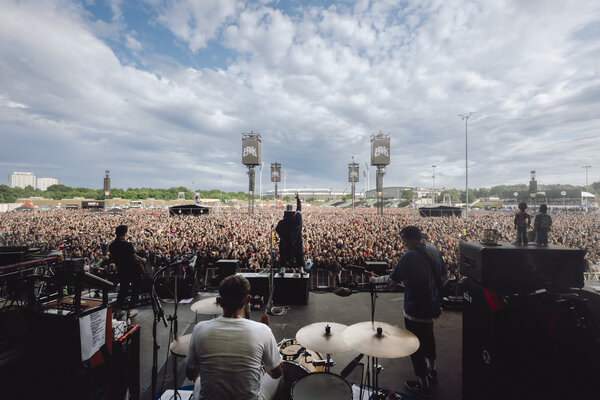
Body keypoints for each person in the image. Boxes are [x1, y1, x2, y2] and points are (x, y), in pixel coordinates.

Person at [370, 226, 446, 398]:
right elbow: (442, 274)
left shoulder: (409, 256)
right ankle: (432, 370)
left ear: (411, 239)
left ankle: (423, 384)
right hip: (432, 305)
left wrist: (375, 279)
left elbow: (392, 281)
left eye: (404, 240)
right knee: (429, 337)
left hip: (415, 308)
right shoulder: (434, 250)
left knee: (414, 346)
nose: (403, 244)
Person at [185, 275, 283, 400]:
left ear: (219, 302)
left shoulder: (200, 329)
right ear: (248, 300)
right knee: (277, 369)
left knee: (199, 381)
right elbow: (276, 373)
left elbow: (191, 374)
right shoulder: (263, 330)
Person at [108, 225, 146, 319]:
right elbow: (134, 257)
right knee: (135, 289)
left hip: (121, 270)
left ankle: (118, 310)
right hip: (133, 270)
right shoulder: (127, 244)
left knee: (123, 289)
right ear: (125, 233)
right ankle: (131, 309)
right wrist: (143, 260)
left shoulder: (112, 245)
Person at [275, 193, 303, 271]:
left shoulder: (282, 222)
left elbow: (277, 229)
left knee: (283, 255)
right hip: (297, 243)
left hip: (285, 243)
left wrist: (282, 236)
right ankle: (301, 268)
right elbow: (299, 210)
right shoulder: (298, 219)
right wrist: (298, 200)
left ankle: (283, 269)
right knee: (299, 255)